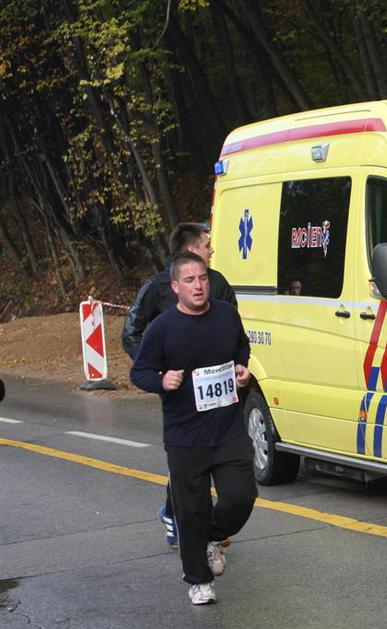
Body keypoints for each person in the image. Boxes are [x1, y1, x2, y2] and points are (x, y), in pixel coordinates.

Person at [130, 251, 257, 605]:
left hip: (228, 428)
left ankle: (210, 537)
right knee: (190, 510)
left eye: (202, 278)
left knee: (241, 497)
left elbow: (241, 347)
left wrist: (242, 369)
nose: (198, 286)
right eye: (189, 280)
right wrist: (161, 380)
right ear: (175, 287)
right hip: (186, 436)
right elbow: (139, 372)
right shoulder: (162, 328)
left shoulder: (226, 315)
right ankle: (199, 581)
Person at [122, 222, 237, 549]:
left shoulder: (218, 283)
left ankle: (207, 520)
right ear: (189, 250)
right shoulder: (157, 287)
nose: (211, 251)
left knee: (219, 453)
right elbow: (130, 333)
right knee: (189, 458)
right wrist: (158, 372)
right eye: (206, 245)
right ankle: (178, 517)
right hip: (181, 392)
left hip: (217, 385)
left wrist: (236, 363)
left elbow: (233, 326)